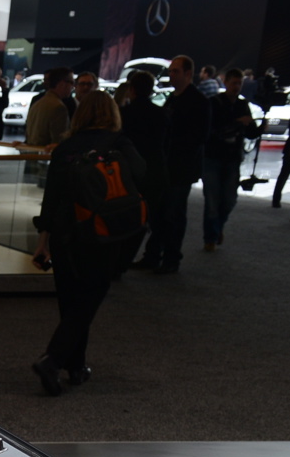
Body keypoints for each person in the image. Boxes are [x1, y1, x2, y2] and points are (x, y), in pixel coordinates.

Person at [30, 90, 145, 395]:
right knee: (91, 295)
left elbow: (51, 198)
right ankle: (53, 359)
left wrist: (43, 240)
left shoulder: (65, 148)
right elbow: (143, 173)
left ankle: (76, 367)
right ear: (112, 113)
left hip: (64, 232)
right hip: (100, 230)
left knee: (70, 300)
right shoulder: (118, 143)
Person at [146, 55, 209, 273]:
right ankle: (153, 255)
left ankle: (171, 258)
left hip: (181, 168)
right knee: (159, 213)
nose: (171, 75)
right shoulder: (173, 99)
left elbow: (199, 137)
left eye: (175, 71)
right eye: (171, 71)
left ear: (188, 74)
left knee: (173, 215)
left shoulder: (198, 102)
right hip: (166, 165)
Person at [201, 67, 258, 250]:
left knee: (229, 200)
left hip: (232, 158)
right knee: (212, 199)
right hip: (213, 157)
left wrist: (257, 127)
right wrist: (237, 123)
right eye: (234, 83)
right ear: (226, 83)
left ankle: (217, 227)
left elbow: (250, 132)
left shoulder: (242, 105)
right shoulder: (214, 103)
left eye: (239, 83)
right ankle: (211, 236)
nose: (237, 87)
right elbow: (212, 130)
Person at [117, 69, 167, 273]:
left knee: (127, 215)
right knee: (154, 216)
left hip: (131, 170)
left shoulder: (125, 114)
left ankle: (120, 260)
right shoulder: (161, 113)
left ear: (132, 90)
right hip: (155, 169)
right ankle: (152, 255)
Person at [23, 68, 75, 151]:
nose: (73, 86)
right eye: (71, 82)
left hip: (33, 154)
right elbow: (58, 141)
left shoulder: (38, 103)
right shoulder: (58, 107)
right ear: (62, 83)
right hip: (45, 156)